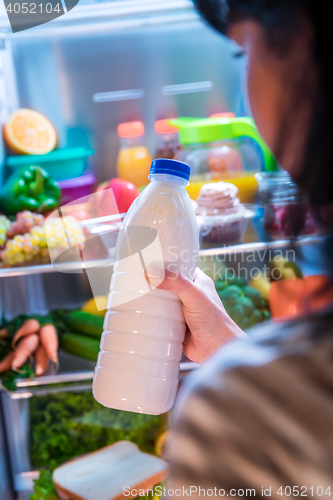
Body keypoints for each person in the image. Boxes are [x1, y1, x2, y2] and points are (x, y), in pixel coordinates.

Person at [146, 1, 333, 497]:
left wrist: (242, 376)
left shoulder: (232, 415)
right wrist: (231, 347)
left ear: (303, 51)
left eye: (241, 54)